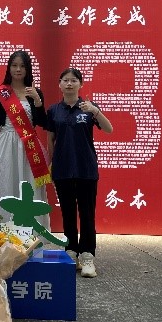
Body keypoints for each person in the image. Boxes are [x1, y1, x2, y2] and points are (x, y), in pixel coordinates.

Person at [46, 68, 113, 278]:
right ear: (59, 84)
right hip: (62, 168)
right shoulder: (54, 110)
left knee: (87, 214)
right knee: (67, 213)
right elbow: (50, 140)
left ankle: (87, 256)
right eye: (65, 80)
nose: (69, 84)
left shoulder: (89, 108)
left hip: (86, 168)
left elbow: (109, 129)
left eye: (73, 80)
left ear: (80, 84)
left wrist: (95, 111)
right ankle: (71, 252)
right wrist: (51, 164)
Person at [0, 50, 51, 225]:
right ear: (9, 68)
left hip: (28, 145)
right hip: (5, 143)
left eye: (22, 66)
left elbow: (43, 123)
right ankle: (5, 229)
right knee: (6, 183)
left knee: (28, 185)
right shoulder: (0, 93)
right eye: (14, 65)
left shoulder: (34, 92)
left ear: (28, 69)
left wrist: (38, 101)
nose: (18, 69)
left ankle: (31, 230)